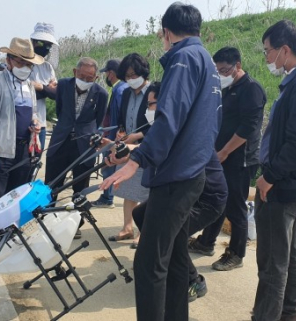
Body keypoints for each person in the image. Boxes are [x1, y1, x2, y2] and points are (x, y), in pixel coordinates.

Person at [100, 3, 221, 320]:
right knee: (177, 259)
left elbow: (168, 120)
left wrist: (136, 160)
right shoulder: (207, 61)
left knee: (149, 262)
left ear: (166, 32)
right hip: (192, 173)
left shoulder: (182, 60)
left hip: (176, 177)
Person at [251, 20, 296, 321]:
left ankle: (266, 316)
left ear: (285, 50)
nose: (267, 58)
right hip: (290, 183)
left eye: (268, 51)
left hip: (282, 184)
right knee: (290, 256)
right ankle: (287, 314)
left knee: (272, 260)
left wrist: (269, 178)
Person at [188, 46, 266, 271]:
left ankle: (236, 253)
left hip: (239, 158)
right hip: (219, 155)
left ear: (238, 66)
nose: (220, 74)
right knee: (216, 200)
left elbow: (248, 129)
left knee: (234, 206)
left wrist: (224, 152)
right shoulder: (225, 88)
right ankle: (206, 242)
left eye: (224, 69)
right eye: (217, 70)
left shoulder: (251, 89)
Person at [130, 151, 227, 302]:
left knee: (170, 234)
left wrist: (131, 151)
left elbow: (156, 149)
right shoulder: (179, 134)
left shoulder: (192, 137)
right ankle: (162, 262)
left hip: (206, 201)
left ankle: (194, 281)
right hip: (181, 193)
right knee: (140, 214)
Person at [0, 38, 43, 209]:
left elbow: (33, 111)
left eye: (28, 64)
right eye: (20, 62)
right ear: (8, 60)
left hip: (23, 151)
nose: (24, 68)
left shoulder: (29, 86)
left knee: (16, 197)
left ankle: (8, 234)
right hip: (0, 150)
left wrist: (35, 122)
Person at [45, 57, 108, 197]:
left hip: (84, 145)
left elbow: (98, 120)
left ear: (96, 77)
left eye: (89, 78)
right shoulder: (63, 85)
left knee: (80, 190)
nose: (85, 81)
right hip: (61, 141)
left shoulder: (101, 94)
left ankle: (78, 216)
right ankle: (47, 215)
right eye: (82, 76)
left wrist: (87, 132)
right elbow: (60, 110)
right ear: (75, 72)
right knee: (51, 186)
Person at [108, 77, 157, 248]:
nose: (131, 78)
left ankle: (142, 232)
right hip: (129, 143)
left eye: (133, 74)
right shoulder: (127, 92)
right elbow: (122, 116)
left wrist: (137, 136)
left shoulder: (153, 91)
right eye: (127, 75)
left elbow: (156, 126)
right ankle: (127, 228)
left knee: (144, 191)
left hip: (145, 146)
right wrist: (121, 134)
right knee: (128, 188)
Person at [91, 59, 128, 209]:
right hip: (115, 134)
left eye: (107, 72)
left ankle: (107, 197)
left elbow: (117, 116)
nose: (106, 75)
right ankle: (107, 196)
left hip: (113, 135)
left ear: (111, 73)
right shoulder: (122, 88)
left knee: (108, 165)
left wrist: (114, 135)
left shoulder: (119, 90)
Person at [29, 22, 59, 150]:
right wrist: (47, 88)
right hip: (24, 122)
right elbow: (23, 92)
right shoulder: (23, 64)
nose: (46, 48)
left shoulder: (48, 68)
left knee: (36, 159)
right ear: (33, 42)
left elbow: (55, 94)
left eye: (49, 45)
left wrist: (40, 87)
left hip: (40, 122)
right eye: (42, 43)